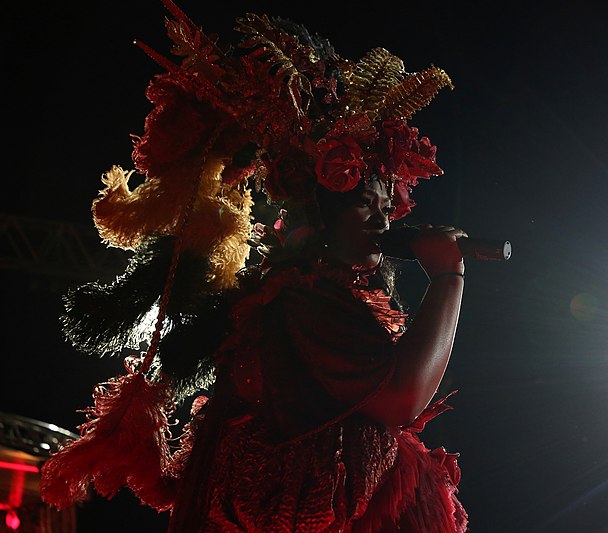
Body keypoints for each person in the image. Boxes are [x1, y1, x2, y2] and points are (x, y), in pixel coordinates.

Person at [40, 1, 469, 531]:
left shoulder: (312, 295)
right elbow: (401, 396)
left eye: (388, 202)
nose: (386, 215)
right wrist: (449, 278)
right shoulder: (305, 300)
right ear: (320, 210)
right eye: (366, 201)